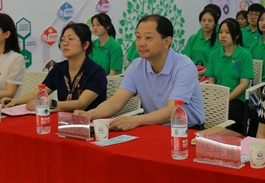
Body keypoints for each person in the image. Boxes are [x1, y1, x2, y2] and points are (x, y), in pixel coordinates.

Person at [75, 15, 205, 130]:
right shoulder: (136, 66)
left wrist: (135, 120)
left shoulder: (184, 66)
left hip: (186, 130)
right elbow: (115, 103)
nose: (141, 43)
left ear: (166, 42)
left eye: (148, 38)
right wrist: (89, 115)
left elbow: (173, 111)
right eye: (138, 37)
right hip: (154, 128)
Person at [3, 22, 106, 111]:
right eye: (63, 40)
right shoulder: (59, 69)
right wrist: (15, 101)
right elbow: (37, 94)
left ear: (85, 45)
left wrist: (51, 104)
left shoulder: (96, 72)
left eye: (70, 39)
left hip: (91, 122)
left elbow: (81, 104)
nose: (65, 43)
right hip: (64, 119)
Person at [207, 18, 254, 134]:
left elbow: (243, 84)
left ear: (237, 35)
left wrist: (226, 99)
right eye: (221, 32)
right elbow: (211, 79)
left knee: (232, 113)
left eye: (227, 32)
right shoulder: (214, 54)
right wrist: (213, 97)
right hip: (217, 97)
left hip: (236, 98)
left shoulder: (245, 55)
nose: (223, 35)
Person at [182, 8, 219, 78]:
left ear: (215, 23)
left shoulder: (219, 41)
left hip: (210, 76)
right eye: (203, 20)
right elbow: (186, 59)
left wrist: (199, 73)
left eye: (210, 21)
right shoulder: (193, 38)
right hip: (192, 73)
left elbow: (217, 63)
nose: (206, 23)